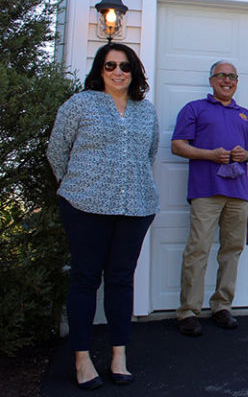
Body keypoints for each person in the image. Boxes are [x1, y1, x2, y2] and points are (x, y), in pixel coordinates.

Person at [47, 43, 159, 389]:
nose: (118, 72)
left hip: (135, 207)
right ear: (100, 70)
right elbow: (57, 150)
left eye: (125, 67)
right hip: (84, 206)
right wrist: (76, 185)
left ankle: (118, 355)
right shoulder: (80, 104)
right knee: (84, 278)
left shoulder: (146, 111)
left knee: (122, 280)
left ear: (134, 72)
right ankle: (81, 359)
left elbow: (149, 153)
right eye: (110, 66)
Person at [172, 60, 248, 336]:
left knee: (231, 250)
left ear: (237, 81)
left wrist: (245, 155)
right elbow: (177, 146)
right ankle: (188, 311)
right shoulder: (194, 109)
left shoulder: (245, 115)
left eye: (232, 76)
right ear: (211, 80)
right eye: (221, 75)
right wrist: (210, 154)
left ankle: (222, 306)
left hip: (238, 194)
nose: (227, 80)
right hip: (205, 191)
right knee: (198, 249)